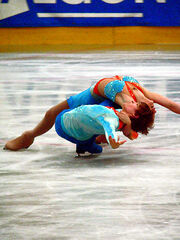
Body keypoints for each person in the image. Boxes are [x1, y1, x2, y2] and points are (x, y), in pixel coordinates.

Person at [5, 74, 178, 151]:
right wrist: (130, 123)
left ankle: (93, 139)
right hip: (89, 97)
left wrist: (130, 123)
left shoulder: (142, 99)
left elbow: (171, 105)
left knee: (111, 117)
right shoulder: (131, 97)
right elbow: (170, 104)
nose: (152, 105)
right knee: (52, 114)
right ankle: (30, 135)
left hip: (108, 101)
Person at [54, 101, 154, 154]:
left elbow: (110, 131)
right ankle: (83, 144)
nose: (132, 101)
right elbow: (132, 135)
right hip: (67, 121)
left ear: (134, 115)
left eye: (135, 104)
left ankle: (84, 144)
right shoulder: (120, 115)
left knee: (98, 150)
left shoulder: (111, 119)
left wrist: (113, 142)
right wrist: (128, 124)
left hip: (64, 126)